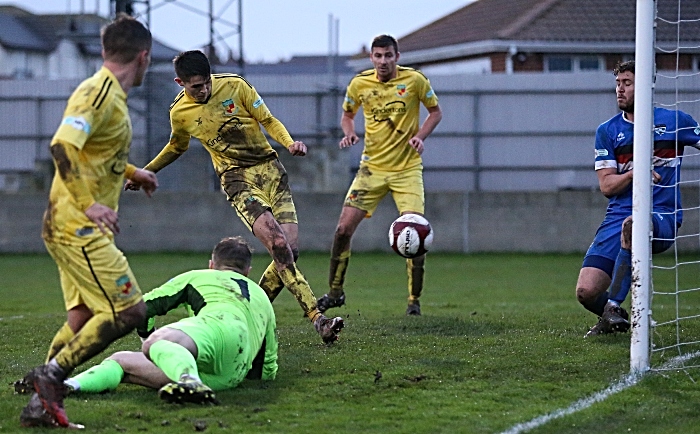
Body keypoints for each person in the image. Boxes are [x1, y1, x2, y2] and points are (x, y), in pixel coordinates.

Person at [124, 50, 343, 344]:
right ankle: (318, 319)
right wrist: (144, 172)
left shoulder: (235, 85)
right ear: (180, 82)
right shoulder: (180, 113)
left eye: (205, 84)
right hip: (236, 178)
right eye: (195, 87)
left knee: (290, 250)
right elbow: (176, 147)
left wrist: (290, 144)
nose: (203, 90)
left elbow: (267, 119)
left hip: (271, 171)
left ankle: (248, 311)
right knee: (278, 244)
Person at [18, 14, 158, 429]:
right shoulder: (97, 92)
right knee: (130, 312)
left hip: (74, 223)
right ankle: (50, 379)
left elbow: (96, 151)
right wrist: (90, 204)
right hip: (76, 224)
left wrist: (133, 173)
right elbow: (63, 146)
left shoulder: (110, 95)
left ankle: (39, 404)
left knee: (81, 318)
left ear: (104, 50)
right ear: (144, 57)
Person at [63, 236, 278, 405]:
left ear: (211, 264)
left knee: (156, 342)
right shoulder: (262, 298)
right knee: (121, 361)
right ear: (248, 272)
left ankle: (189, 381)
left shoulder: (200, 276)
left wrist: (148, 338)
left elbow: (144, 306)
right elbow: (267, 367)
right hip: (230, 375)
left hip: (217, 325)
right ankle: (67, 385)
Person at [317, 34, 442, 316]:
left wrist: (421, 137)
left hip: (406, 170)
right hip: (371, 169)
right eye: (378, 56)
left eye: (388, 56)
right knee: (341, 231)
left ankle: (414, 300)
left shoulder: (415, 81)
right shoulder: (360, 84)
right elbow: (347, 116)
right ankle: (335, 293)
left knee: (416, 233)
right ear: (371, 58)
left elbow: (435, 112)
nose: (383, 61)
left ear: (397, 57)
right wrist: (349, 134)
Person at [577, 60, 700, 337]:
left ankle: (612, 306)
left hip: (662, 214)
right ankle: (618, 320)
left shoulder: (675, 122)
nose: (620, 90)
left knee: (634, 225)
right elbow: (607, 186)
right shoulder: (607, 131)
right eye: (617, 84)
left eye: (627, 83)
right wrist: (635, 173)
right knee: (586, 291)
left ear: (646, 86)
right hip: (617, 215)